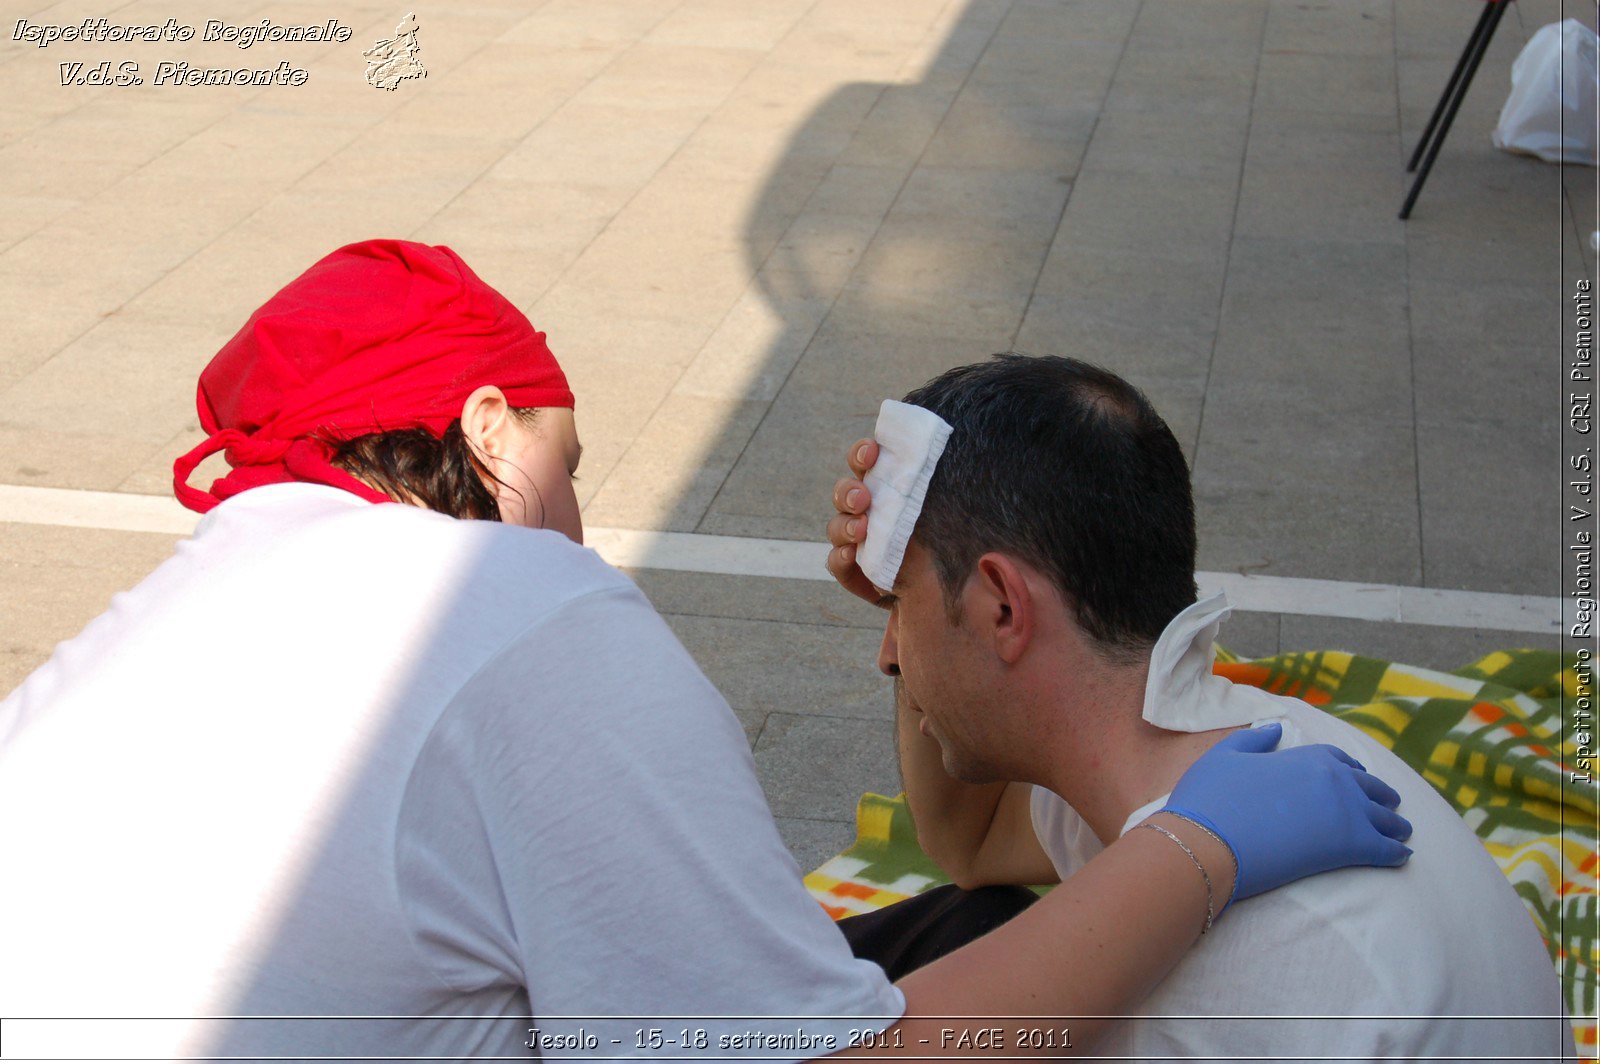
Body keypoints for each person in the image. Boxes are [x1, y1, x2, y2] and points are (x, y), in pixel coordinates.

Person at [0, 244, 1412, 1063]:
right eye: (569, 462)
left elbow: (967, 864)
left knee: (946, 937)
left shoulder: (208, 585)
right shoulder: (516, 604)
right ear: (488, 430)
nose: (577, 517)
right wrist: (1197, 854)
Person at [825, 353, 1573, 1060]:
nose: (890, 651)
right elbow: (973, 844)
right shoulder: (1218, 748)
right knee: (976, 918)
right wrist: (910, 603)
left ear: (1002, 608)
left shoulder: (1211, 980)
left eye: (896, 603)